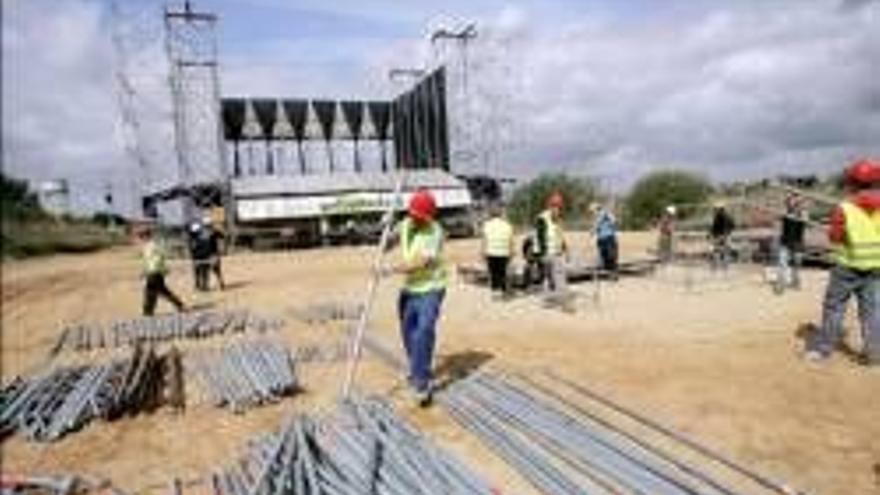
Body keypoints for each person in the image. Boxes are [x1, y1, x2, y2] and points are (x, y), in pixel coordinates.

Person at [806, 159, 880, 366]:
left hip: (847, 266)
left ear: (852, 182)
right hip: (875, 267)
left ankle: (824, 351)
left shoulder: (844, 208)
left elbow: (835, 237)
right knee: (872, 311)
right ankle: (874, 353)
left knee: (834, 308)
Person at [387, 189, 448, 405]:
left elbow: (419, 263)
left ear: (429, 217)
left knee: (423, 331)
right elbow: (389, 244)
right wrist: (385, 233)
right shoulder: (405, 224)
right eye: (413, 215)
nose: (416, 220)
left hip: (431, 289)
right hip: (410, 289)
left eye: (421, 218)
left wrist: (389, 270)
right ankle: (419, 367)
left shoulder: (435, 232)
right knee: (407, 332)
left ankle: (421, 383)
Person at [136, 222, 185, 316]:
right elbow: (151, 260)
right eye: (140, 236)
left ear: (146, 236)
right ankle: (179, 304)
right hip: (155, 272)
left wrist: (150, 271)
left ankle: (148, 312)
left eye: (141, 236)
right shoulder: (149, 246)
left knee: (149, 292)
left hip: (154, 273)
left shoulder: (152, 246)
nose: (140, 238)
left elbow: (157, 260)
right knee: (163, 291)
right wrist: (145, 271)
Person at [535, 192, 571, 310]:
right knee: (547, 278)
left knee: (560, 277)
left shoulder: (558, 220)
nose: (558, 210)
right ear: (550, 206)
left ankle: (564, 303)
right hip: (546, 253)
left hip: (557, 253)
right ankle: (547, 301)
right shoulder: (542, 219)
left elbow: (560, 235)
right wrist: (542, 255)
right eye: (555, 206)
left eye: (559, 207)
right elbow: (539, 237)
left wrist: (566, 249)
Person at [774, 194, 808, 294]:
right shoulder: (785, 212)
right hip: (785, 242)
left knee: (796, 265)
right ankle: (780, 285)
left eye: (794, 201)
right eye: (790, 201)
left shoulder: (803, 213)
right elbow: (780, 215)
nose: (792, 203)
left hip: (798, 243)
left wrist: (799, 209)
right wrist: (787, 210)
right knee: (782, 264)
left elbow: (805, 219)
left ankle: (796, 281)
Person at [481, 203, 514, 298]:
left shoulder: (486, 225)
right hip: (504, 252)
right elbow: (510, 240)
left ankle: (495, 291)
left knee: (493, 272)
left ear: (491, 214)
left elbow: (485, 240)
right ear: (501, 214)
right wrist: (511, 252)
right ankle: (504, 290)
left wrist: (483, 252)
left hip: (491, 252)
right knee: (502, 272)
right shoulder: (507, 225)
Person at [592, 203, 619, 280]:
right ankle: (606, 274)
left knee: (611, 257)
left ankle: (613, 274)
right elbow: (595, 226)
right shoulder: (596, 217)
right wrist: (593, 231)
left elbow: (614, 221)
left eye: (594, 210)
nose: (593, 213)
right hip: (601, 239)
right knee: (602, 257)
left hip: (609, 238)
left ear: (598, 209)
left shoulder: (606, 214)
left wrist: (608, 216)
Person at [709, 202, 735, 271]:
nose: (714, 210)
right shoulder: (718, 217)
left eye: (716, 209)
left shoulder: (724, 217)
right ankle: (718, 264)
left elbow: (729, 226)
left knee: (721, 249)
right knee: (718, 249)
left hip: (723, 235)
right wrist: (712, 234)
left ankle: (722, 264)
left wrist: (724, 235)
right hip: (720, 235)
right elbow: (714, 228)